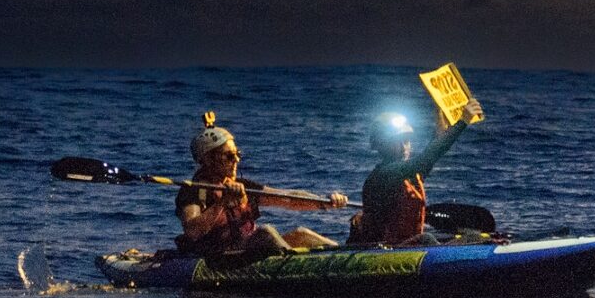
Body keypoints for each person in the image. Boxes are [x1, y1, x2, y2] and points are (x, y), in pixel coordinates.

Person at [174, 112, 343, 259]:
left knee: (302, 234)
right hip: (221, 256)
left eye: (237, 154)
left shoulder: (242, 186)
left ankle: (343, 254)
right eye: (229, 156)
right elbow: (192, 231)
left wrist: (325, 202)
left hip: (247, 248)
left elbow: (287, 198)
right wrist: (223, 202)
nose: (236, 160)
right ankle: (292, 264)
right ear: (208, 160)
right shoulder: (193, 190)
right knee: (266, 233)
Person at [346, 102, 483, 248]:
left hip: (406, 245)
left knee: (473, 237)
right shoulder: (384, 174)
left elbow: (432, 153)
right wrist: (463, 121)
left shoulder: (410, 174)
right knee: (426, 239)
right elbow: (428, 157)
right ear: (382, 145)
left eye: (406, 141)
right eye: (397, 142)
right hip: (384, 248)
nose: (404, 146)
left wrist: (439, 122)